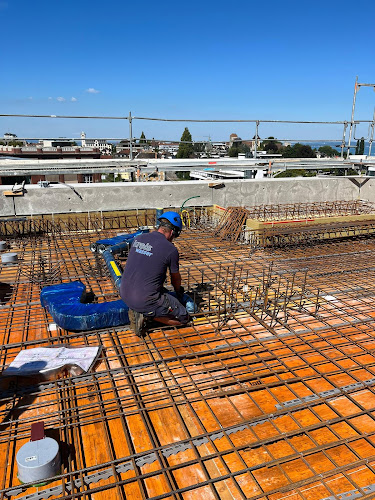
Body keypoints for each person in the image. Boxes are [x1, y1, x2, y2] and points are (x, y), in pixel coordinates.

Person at [120, 211, 189, 336]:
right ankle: (147, 315)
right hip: (145, 300)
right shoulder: (171, 250)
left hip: (124, 293)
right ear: (173, 232)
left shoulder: (139, 238)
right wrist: (178, 292)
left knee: (159, 290)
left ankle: (145, 310)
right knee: (184, 318)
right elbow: (175, 279)